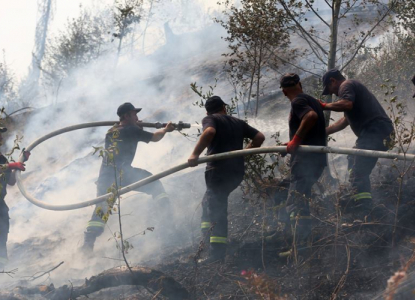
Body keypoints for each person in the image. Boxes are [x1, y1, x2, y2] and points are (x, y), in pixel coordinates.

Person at [81, 103, 175, 252]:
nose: (137, 117)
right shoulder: (130, 130)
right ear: (126, 116)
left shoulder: (113, 131)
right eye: (134, 114)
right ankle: (168, 220)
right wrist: (166, 129)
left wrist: (138, 128)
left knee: (102, 209)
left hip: (106, 177)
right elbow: (155, 138)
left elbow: (129, 139)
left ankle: (87, 245)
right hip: (123, 174)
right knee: (154, 183)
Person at [188, 96, 265, 263]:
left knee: (216, 209)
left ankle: (216, 256)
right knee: (207, 202)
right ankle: (206, 241)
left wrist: (195, 154)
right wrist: (243, 154)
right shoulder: (237, 122)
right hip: (236, 172)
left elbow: (209, 132)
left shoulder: (210, 119)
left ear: (207, 111)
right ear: (224, 107)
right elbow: (259, 137)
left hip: (218, 172)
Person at [320, 69, 394, 222]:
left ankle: (365, 210)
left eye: (330, 89)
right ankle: (359, 198)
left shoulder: (346, 86)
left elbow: (346, 104)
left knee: (357, 170)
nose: (333, 93)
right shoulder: (351, 92)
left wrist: (324, 106)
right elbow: (344, 122)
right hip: (379, 132)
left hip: (376, 130)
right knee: (354, 163)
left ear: (333, 81)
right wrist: (321, 133)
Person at [277, 74, 327, 258]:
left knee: (296, 203)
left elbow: (311, 117)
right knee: (301, 200)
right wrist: (290, 144)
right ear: (300, 84)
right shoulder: (312, 100)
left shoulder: (298, 102)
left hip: (305, 161)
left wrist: (295, 141)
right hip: (317, 159)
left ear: (283, 92)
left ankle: (301, 249)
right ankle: (303, 245)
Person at [0, 127, 29, 269]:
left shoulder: (2, 159)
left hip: (0, 205)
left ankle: (2, 270)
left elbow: (10, 181)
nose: (0, 138)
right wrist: (10, 165)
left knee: (1, 236)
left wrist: (19, 163)